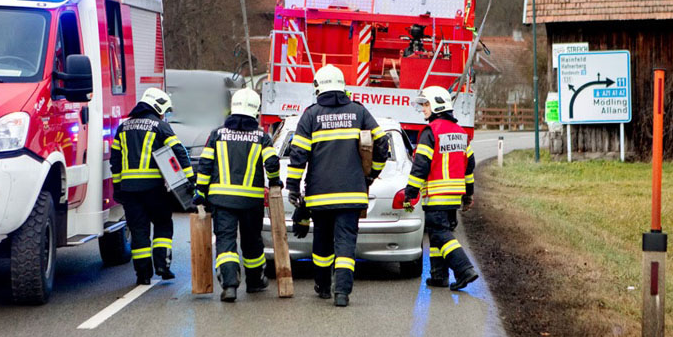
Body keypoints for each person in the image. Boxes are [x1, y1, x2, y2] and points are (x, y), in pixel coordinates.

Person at [286, 64, 389, 307]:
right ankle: (341, 293)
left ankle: (322, 287)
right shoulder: (359, 111)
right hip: (352, 193)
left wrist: (293, 186)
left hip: (319, 196)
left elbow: (298, 154)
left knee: (322, 242)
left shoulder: (310, 115)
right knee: (345, 244)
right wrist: (370, 176)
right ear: (343, 86)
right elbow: (382, 144)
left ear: (318, 87)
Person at [193, 88, 281, 303]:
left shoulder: (216, 134)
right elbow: (271, 163)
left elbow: (205, 166)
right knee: (252, 241)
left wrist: (200, 193)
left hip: (221, 200)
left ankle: (230, 286)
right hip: (251, 200)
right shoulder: (262, 136)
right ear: (255, 110)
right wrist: (275, 181)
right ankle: (255, 282)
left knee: (226, 241)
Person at [110, 88, 194, 285]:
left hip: (130, 191)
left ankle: (143, 275)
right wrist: (190, 181)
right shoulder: (160, 126)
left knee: (139, 231)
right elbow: (179, 152)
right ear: (158, 107)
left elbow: (115, 160)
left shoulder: (123, 127)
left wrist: (117, 187)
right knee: (163, 224)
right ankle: (163, 266)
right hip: (154, 189)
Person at [403, 86, 478, 291]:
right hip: (453, 196)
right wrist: (468, 194)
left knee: (440, 234)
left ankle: (464, 270)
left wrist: (410, 193)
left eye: (426, 104)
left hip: (436, 195)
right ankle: (439, 276)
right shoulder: (461, 133)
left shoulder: (430, 132)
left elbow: (420, 167)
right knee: (438, 235)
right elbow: (469, 166)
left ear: (437, 105)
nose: (423, 109)